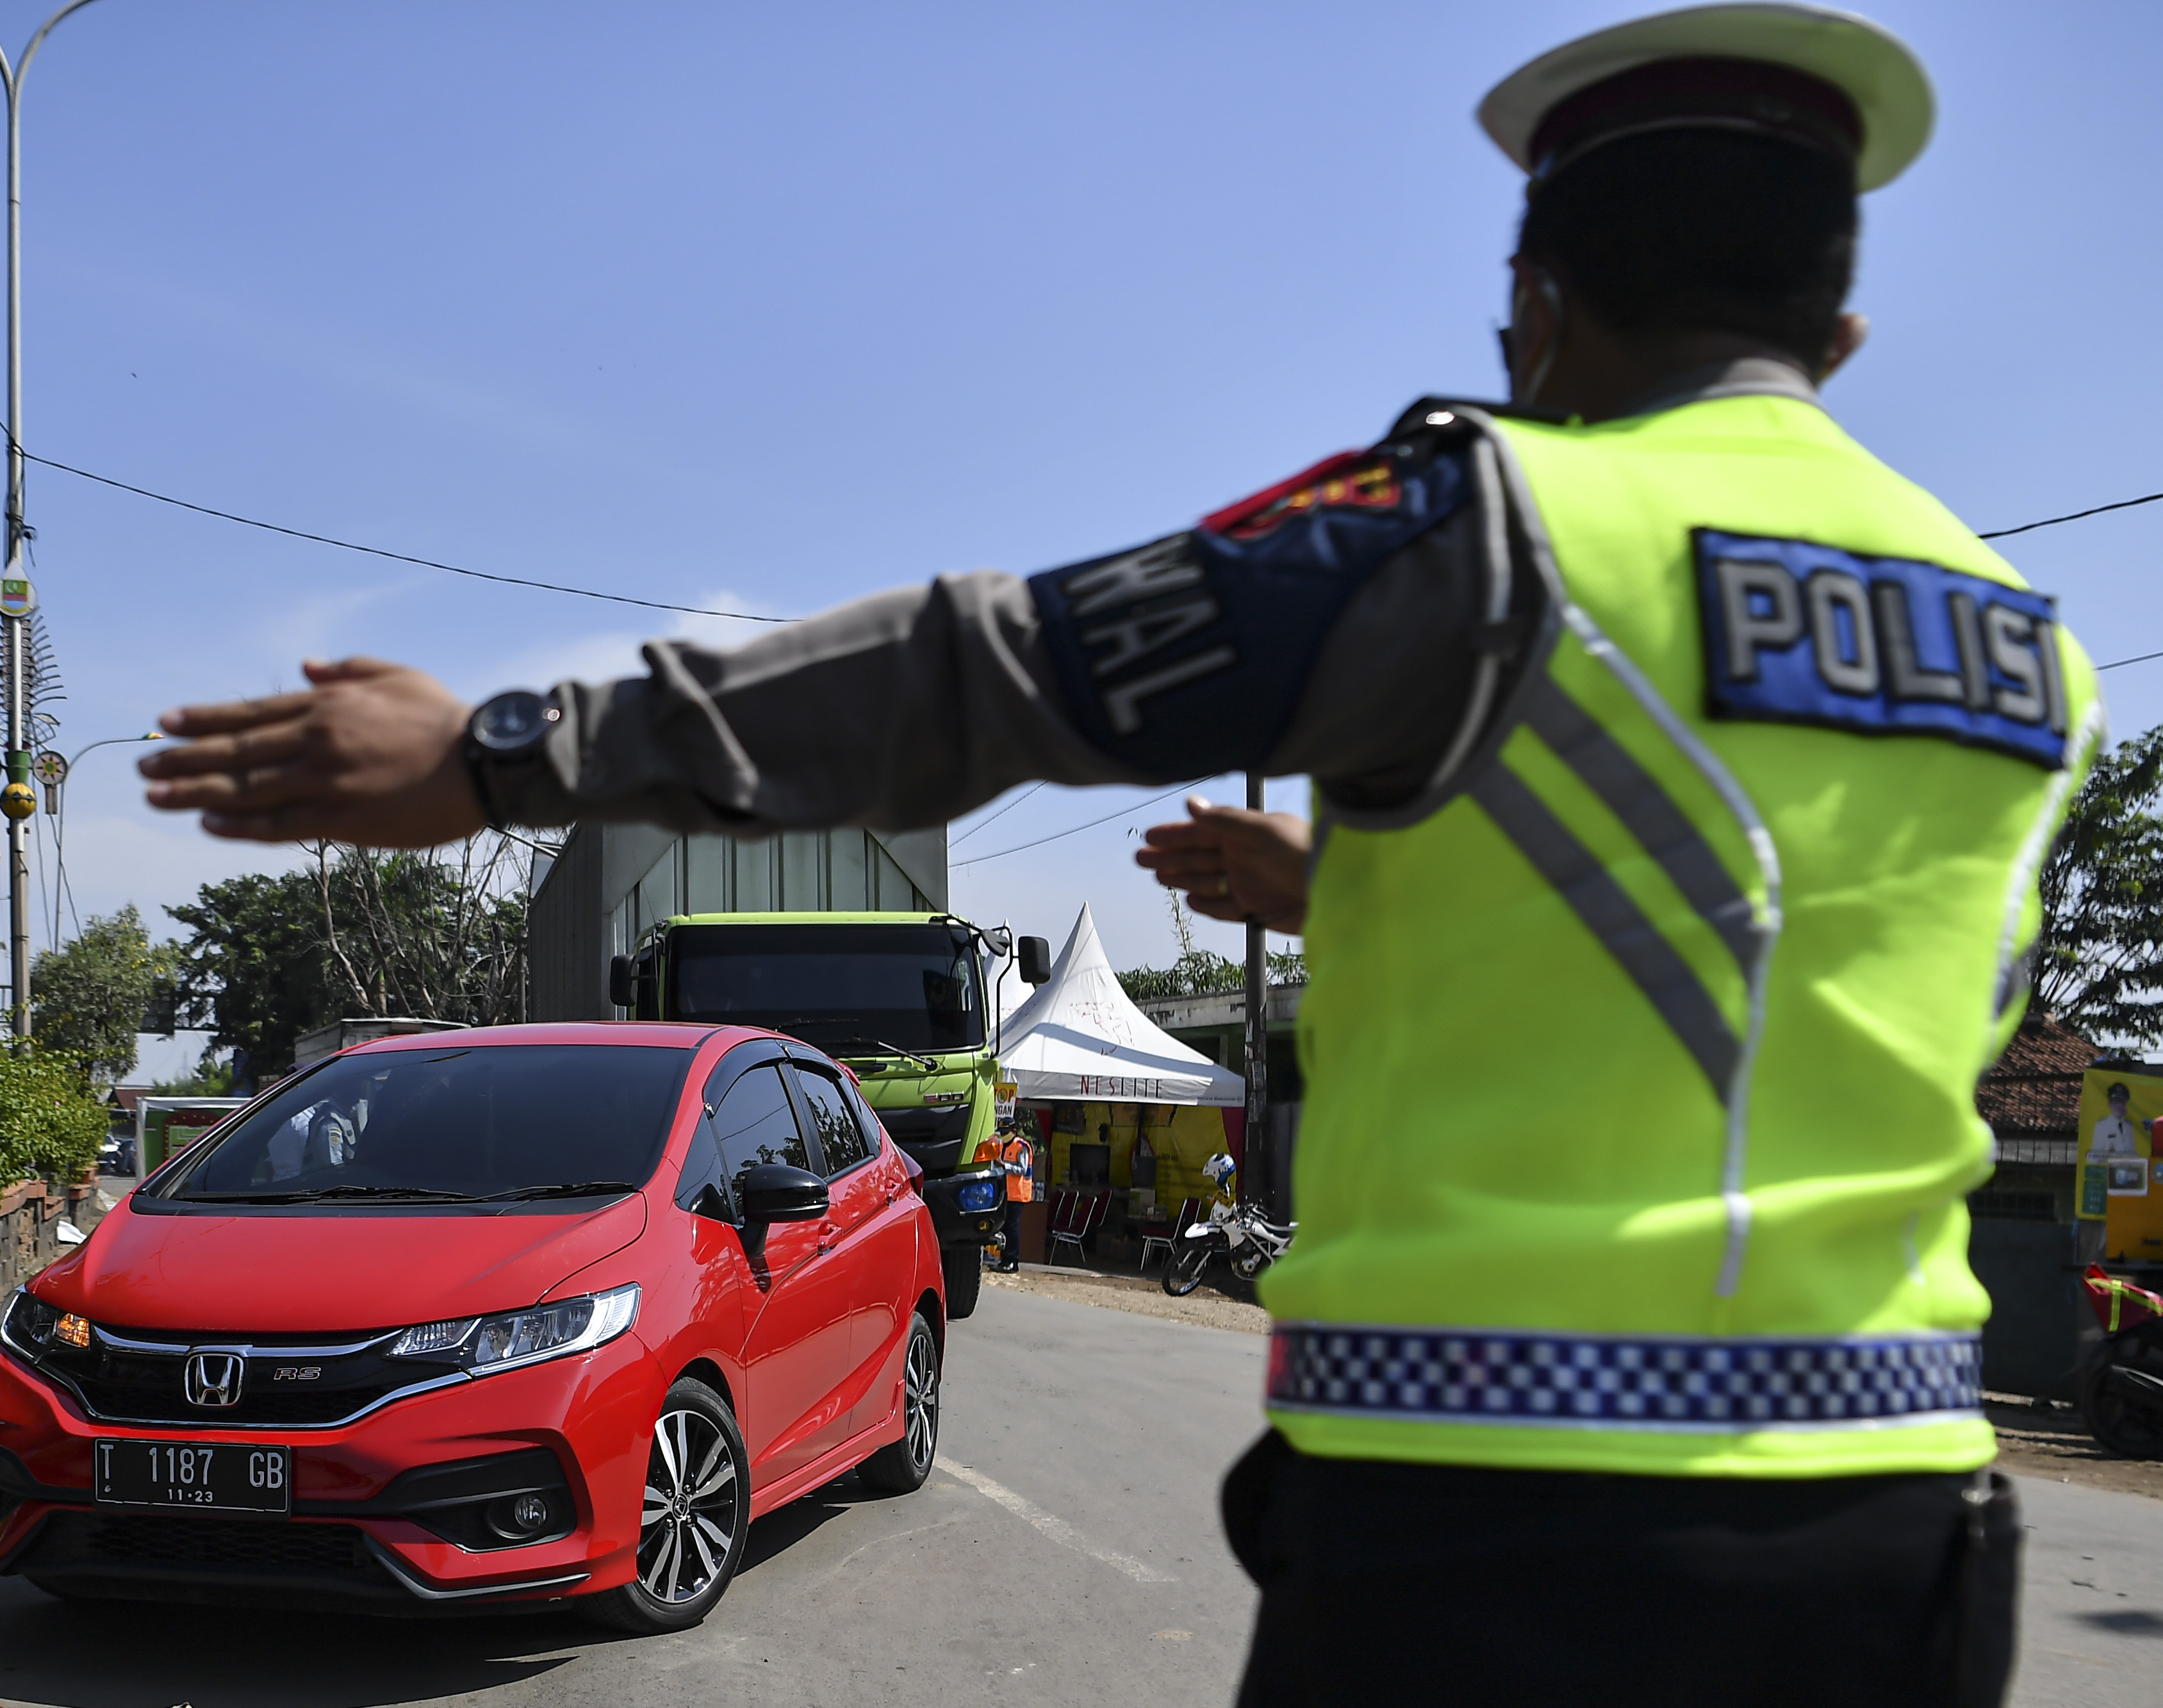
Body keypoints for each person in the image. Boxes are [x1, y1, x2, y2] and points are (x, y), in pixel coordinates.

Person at [139, 7, 2093, 1700]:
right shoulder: (2027, 647)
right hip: (1899, 1534)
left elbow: (989, 670)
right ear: (1835, 322)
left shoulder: (1487, 530)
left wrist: (499, 754)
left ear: (1537, 294)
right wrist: (1357, 890)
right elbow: (1801, 968)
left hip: (1510, 1531)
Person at [989, 1121, 1034, 1272]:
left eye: (1006, 1131)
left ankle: (1013, 1262)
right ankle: (1004, 1260)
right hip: (1005, 1193)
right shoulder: (1002, 1145)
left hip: (1018, 1194)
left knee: (1012, 1227)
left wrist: (1005, 1165)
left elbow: (1022, 1169)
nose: (1003, 1134)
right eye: (1001, 1131)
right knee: (1004, 1226)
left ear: (1014, 1131)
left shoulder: (1021, 1146)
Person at [2090, 1082, 2141, 1159]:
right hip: (2109, 1169)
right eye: (2116, 1102)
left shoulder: (2129, 1126)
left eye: (2122, 1102)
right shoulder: (2101, 1126)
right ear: (2110, 1104)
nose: (2120, 1106)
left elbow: (2132, 1154)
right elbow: (2093, 1158)